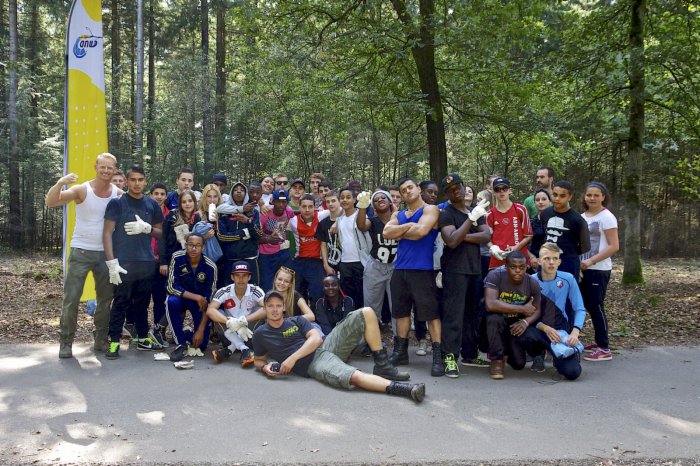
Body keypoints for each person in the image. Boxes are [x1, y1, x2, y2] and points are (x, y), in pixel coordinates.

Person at [252, 291, 423, 402]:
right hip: (314, 362)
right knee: (353, 376)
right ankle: (407, 390)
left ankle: (382, 365)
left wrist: (291, 359)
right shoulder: (260, 334)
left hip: (326, 345)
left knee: (366, 312)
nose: (275, 309)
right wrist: (265, 367)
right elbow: (258, 360)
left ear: (284, 308)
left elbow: (316, 339)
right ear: (264, 308)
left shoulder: (296, 320)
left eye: (278, 305)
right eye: (270, 306)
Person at [45, 153, 122, 358]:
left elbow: (138, 206)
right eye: (102, 167)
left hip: (106, 254)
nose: (106, 171)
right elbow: (51, 202)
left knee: (105, 300)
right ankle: (66, 342)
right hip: (81, 251)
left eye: (110, 168)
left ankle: (100, 340)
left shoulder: (118, 194)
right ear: (95, 167)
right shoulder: (82, 190)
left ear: (115, 170)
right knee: (71, 299)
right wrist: (60, 183)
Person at [383, 178, 444, 377]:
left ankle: (437, 356)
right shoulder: (398, 214)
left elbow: (422, 231)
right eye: (403, 190)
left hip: (423, 270)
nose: (407, 191)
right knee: (401, 313)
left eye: (410, 187)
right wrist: (409, 226)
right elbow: (386, 232)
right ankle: (400, 353)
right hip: (400, 270)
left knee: (431, 314)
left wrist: (400, 232)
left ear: (418, 188)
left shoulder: (430, 210)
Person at [103, 164, 165, 359]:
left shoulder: (152, 204)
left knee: (142, 303)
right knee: (121, 302)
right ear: (126, 181)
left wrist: (147, 228)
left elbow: (160, 233)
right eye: (133, 180)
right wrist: (111, 262)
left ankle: (142, 338)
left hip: (146, 262)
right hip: (123, 262)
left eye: (140, 180)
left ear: (145, 181)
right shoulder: (117, 203)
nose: (137, 183)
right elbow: (107, 233)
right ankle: (114, 341)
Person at [438, 174, 491, 377]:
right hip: (455, 270)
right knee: (453, 315)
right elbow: (451, 242)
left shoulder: (476, 211)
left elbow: (486, 235)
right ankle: (449, 357)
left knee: (471, 314)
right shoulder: (446, 213)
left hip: (474, 269)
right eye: (450, 190)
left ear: (463, 187)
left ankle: (470, 353)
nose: (456, 191)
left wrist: (461, 234)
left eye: (458, 187)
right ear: (447, 194)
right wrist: (470, 221)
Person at [483, 251, 543, 380]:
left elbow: (537, 310)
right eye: (513, 267)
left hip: (514, 325)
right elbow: (490, 304)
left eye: (521, 267)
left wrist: (525, 322)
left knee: (518, 364)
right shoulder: (495, 275)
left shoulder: (532, 282)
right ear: (506, 267)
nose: (517, 271)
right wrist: (522, 309)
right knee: (494, 318)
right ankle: (497, 360)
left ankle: (506, 351)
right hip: (494, 323)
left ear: (526, 267)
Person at [530, 243, 584, 380]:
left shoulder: (568, 279)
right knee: (525, 333)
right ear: (539, 261)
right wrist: (544, 327)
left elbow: (579, 309)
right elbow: (526, 312)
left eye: (555, 258)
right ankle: (538, 354)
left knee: (572, 372)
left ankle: (558, 355)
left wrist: (575, 333)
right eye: (547, 258)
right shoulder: (530, 281)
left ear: (559, 262)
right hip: (539, 328)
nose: (551, 262)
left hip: (560, 328)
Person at [580, 182, 619, 362]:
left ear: (603, 197)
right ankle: (597, 342)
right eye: (589, 195)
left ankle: (604, 348)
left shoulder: (607, 217)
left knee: (596, 306)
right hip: (582, 269)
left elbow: (614, 246)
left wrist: (591, 260)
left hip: (598, 269)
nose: (592, 198)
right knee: (586, 305)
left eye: (596, 195)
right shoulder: (582, 217)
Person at [165, 233, 218, 362]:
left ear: (203, 247)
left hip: (200, 305)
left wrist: (200, 330)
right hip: (182, 298)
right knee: (171, 301)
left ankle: (187, 332)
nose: (193, 249)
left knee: (202, 345)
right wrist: (197, 297)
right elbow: (171, 287)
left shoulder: (211, 266)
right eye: (190, 245)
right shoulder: (177, 257)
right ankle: (180, 343)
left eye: (197, 245)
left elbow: (209, 301)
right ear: (186, 245)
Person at [206, 261, 266, 366]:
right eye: (237, 275)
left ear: (249, 277)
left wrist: (244, 321)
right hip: (229, 334)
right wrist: (228, 321)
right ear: (232, 277)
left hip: (249, 335)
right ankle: (244, 350)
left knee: (262, 309)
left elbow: (267, 308)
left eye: (244, 276)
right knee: (218, 312)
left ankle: (231, 349)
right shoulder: (224, 291)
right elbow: (210, 310)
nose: (241, 279)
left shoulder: (255, 290)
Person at [356, 190, 398, 331]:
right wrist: (362, 206)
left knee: (397, 305)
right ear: (373, 206)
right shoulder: (373, 221)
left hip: (396, 266)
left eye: (383, 197)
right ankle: (372, 338)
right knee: (371, 305)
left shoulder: (400, 218)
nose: (380, 200)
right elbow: (361, 225)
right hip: (375, 265)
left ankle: (399, 339)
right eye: (376, 199)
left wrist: (396, 213)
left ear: (390, 201)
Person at [539, 180, 591, 280]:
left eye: (562, 196)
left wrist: (569, 253)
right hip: (545, 262)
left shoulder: (578, 220)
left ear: (569, 197)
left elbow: (586, 246)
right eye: (555, 194)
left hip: (568, 264)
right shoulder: (545, 213)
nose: (557, 199)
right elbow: (542, 236)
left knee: (567, 289)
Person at [287, 194, 330, 304]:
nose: (307, 210)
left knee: (317, 294)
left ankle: (317, 314)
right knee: (296, 295)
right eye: (304, 206)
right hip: (299, 260)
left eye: (310, 206)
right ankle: (298, 315)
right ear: (299, 207)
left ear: (315, 207)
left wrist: (337, 223)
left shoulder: (321, 216)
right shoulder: (293, 221)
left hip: (317, 261)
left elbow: (338, 210)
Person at [216, 182, 262, 286]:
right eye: (236, 190)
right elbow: (222, 236)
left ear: (246, 194)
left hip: (250, 258)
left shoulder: (254, 212)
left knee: (252, 289)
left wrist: (248, 222)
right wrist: (243, 233)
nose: (238, 192)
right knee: (229, 290)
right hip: (230, 258)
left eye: (242, 190)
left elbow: (258, 234)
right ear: (231, 193)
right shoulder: (224, 214)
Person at [484, 177, 532, 269]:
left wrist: (516, 247)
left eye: (504, 188)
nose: (501, 191)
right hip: (498, 261)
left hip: (519, 261)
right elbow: (486, 239)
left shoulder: (520, 209)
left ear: (510, 190)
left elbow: (528, 235)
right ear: (493, 192)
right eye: (497, 189)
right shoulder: (489, 214)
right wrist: (493, 249)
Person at [336, 186, 371, 309]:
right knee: (347, 296)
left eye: (348, 197)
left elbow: (365, 228)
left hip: (360, 262)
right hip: (345, 262)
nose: (345, 200)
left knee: (361, 295)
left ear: (355, 199)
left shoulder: (360, 216)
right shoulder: (340, 220)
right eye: (342, 198)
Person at [159, 190, 202, 277]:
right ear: (180, 204)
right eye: (184, 202)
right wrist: (163, 262)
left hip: (192, 261)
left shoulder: (199, 217)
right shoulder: (172, 216)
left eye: (190, 201)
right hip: (172, 260)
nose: (187, 204)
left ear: (194, 202)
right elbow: (162, 239)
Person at [258, 189, 295, 290]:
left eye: (284, 202)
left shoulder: (288, 211)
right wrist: (268, 239)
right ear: (273, 201)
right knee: (267, 284)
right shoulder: (265, 214)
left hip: (283, 252)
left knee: (286, 281)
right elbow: (255, 238)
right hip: (267, 254)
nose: (281, 205)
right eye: (278, 201)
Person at [149, 182, 170, 347]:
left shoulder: (170, 215)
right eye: (156, 193)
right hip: (144, 261)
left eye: (162, 194)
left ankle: (158, 330)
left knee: (160, 298)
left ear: (166, 196)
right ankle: (141, 331)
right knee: (141, 298)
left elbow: (168, 240)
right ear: (151, 195)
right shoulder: (144, 211)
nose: (159, 196)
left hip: (161, 263)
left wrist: (164, 261)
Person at [316, 190, 343, 276]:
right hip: (331, 263)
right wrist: (326, 265)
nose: (330, 204)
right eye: (328, 202)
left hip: (346, 263)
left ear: (339, 201)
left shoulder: (346, 220)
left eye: (333, 201)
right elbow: (323, 245)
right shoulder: (322, 223)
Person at [527, 188, 552, 269]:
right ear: (534, 203)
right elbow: (523, 243)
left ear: (550, 201)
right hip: (535, 262)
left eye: (544, 199)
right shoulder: (530, 222)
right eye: (537, 200)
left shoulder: (557, 221)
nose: (540, 202)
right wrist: (531, 257)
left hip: (553, 262)